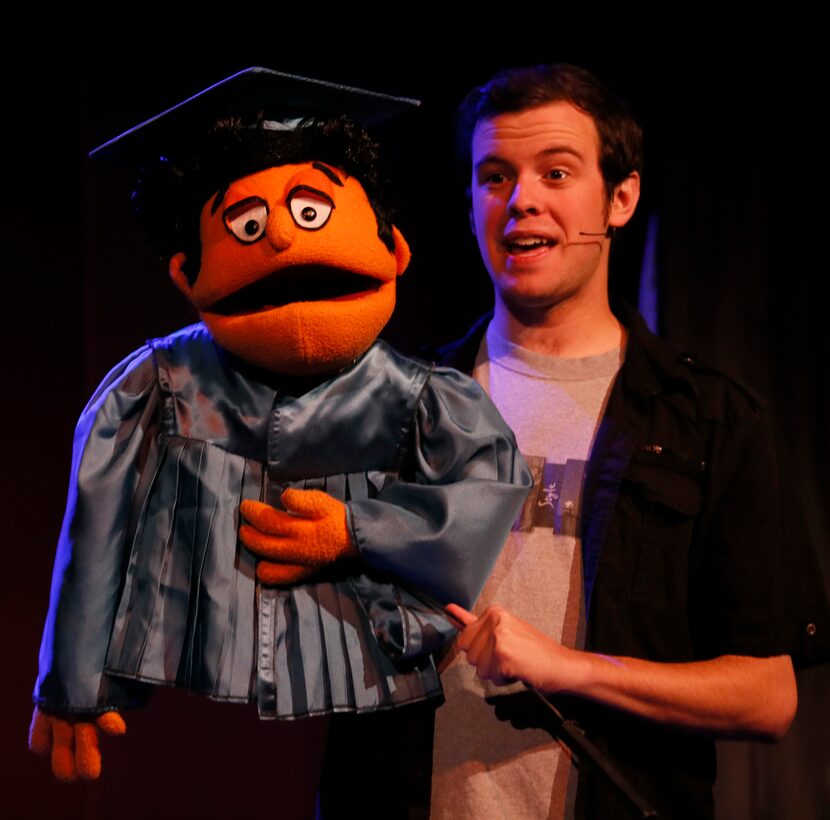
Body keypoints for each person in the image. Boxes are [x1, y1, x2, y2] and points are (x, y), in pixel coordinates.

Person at [429, 63, 830, 819]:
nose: (522, 201)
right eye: (494, 176)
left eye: (556, 172)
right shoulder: (398, 408)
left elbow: (768, 698)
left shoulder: (710, 419)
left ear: (621, 198)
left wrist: (569, 668)